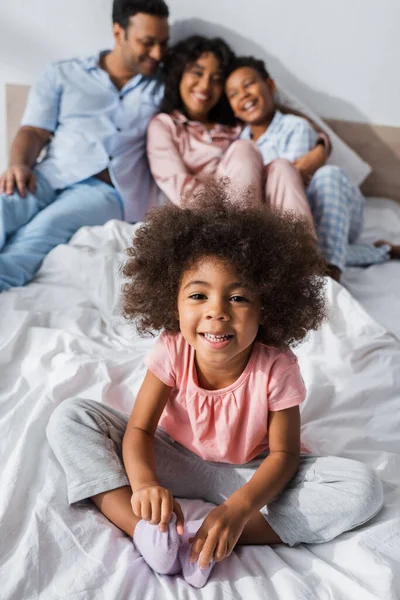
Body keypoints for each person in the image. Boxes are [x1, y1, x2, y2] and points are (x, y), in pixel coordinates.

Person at [47, 182, 383, 589]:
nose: (217, 312)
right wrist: (146, 484)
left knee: (363, 489)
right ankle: (143, 529)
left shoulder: (276, 366)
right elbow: (138, 431)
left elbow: (285, 455)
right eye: (198, 295)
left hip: (250, 474)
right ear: (172, 300)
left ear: (269, 305)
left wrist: (238, 511)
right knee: (72, 417)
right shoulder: (172, 350)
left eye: (238, 298)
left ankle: (207, 540)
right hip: (173, 458)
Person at [0, 0, 169, 291]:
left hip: (106, 193)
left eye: (163, 43)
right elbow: (33, 130)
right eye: (147, 42)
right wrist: (18, 164)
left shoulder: (163, 87)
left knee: (41, 232)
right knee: (5, 204)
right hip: (48, 175)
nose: (157, 53)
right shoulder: (63, 74)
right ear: (118, 33)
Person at [225, 56, 400, 281]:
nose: (243, 95)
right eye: (233, 94)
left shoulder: (295, 126)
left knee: (329, 175)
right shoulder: (238, 145)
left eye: (249, 84)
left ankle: (331, 276)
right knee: (312, 247)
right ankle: (382, 251)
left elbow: (292, 181)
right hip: (281, 221)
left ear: (269, 86)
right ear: (233, 109)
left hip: (322, 209)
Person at [147, 35, 329, 222]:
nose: (205, 86)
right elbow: (180, 189)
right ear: (179, 75)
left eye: (216, 79)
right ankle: (240, 237)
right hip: (207, 220)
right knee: (245, 148)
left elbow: (275, 113)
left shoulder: (235, 125)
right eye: (197, 73)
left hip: (260, 211)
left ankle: (303, 248)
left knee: (280, 166)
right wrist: (219, 213)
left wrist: (321, 146)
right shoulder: (165, 126)